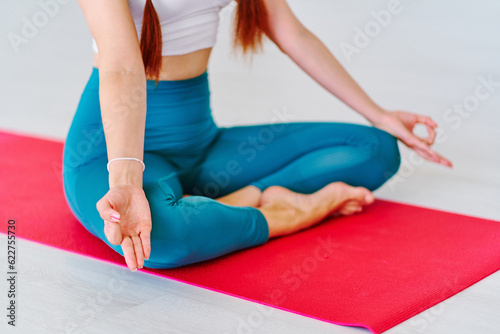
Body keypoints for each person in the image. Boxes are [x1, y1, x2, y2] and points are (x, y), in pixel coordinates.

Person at [63, 0, 452, 272]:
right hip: (109, 152)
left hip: (201, 145)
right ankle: (286, 213)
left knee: (376, 149)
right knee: (162, 239)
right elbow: (121, 66)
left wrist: (379, 114)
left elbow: (294, 35)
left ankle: (238, 198)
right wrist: (127, 182)